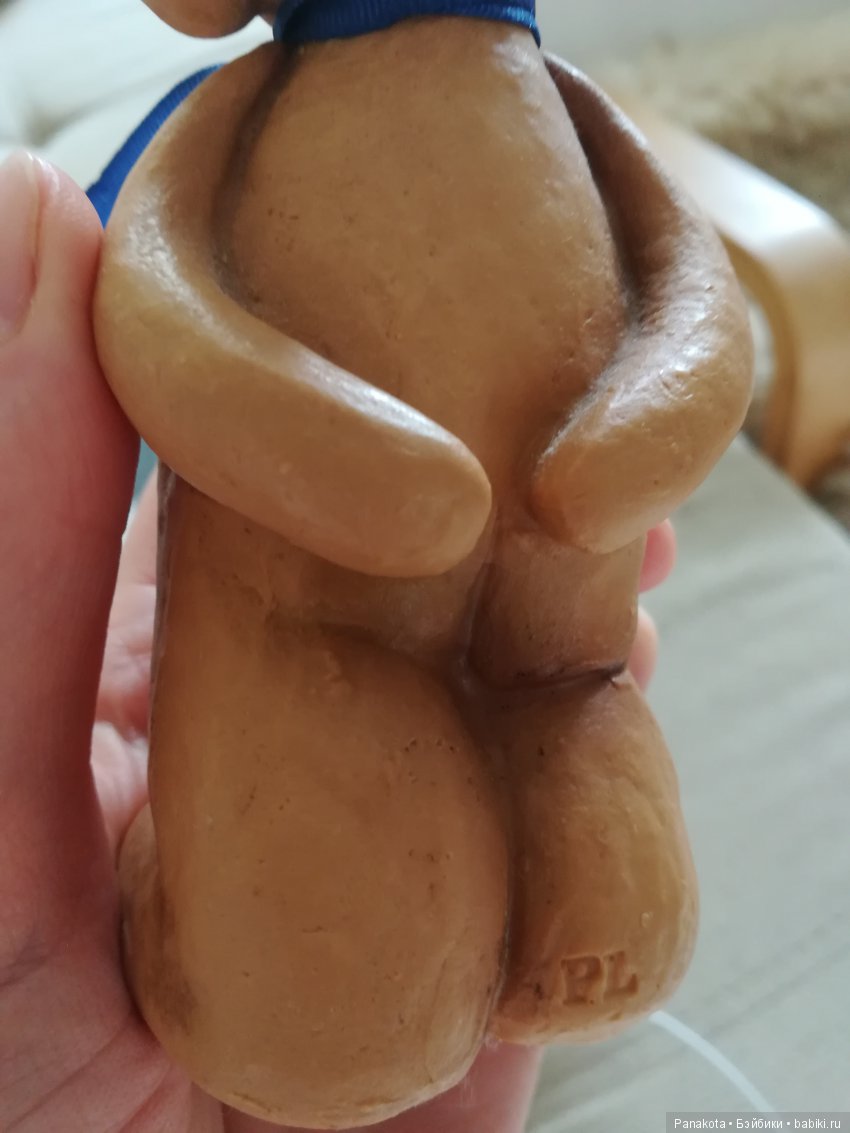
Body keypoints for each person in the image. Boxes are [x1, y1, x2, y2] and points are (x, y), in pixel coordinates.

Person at [0, 149, 675, 1133]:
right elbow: (157, 299)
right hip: (312, 637)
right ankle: (301, 979)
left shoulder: (575, 131)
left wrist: (654, 417)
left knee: (603, 854)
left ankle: (566, 898)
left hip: (559, 642)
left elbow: (683, 284)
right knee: (326, 959)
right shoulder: (243, 125)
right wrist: (344, 454)